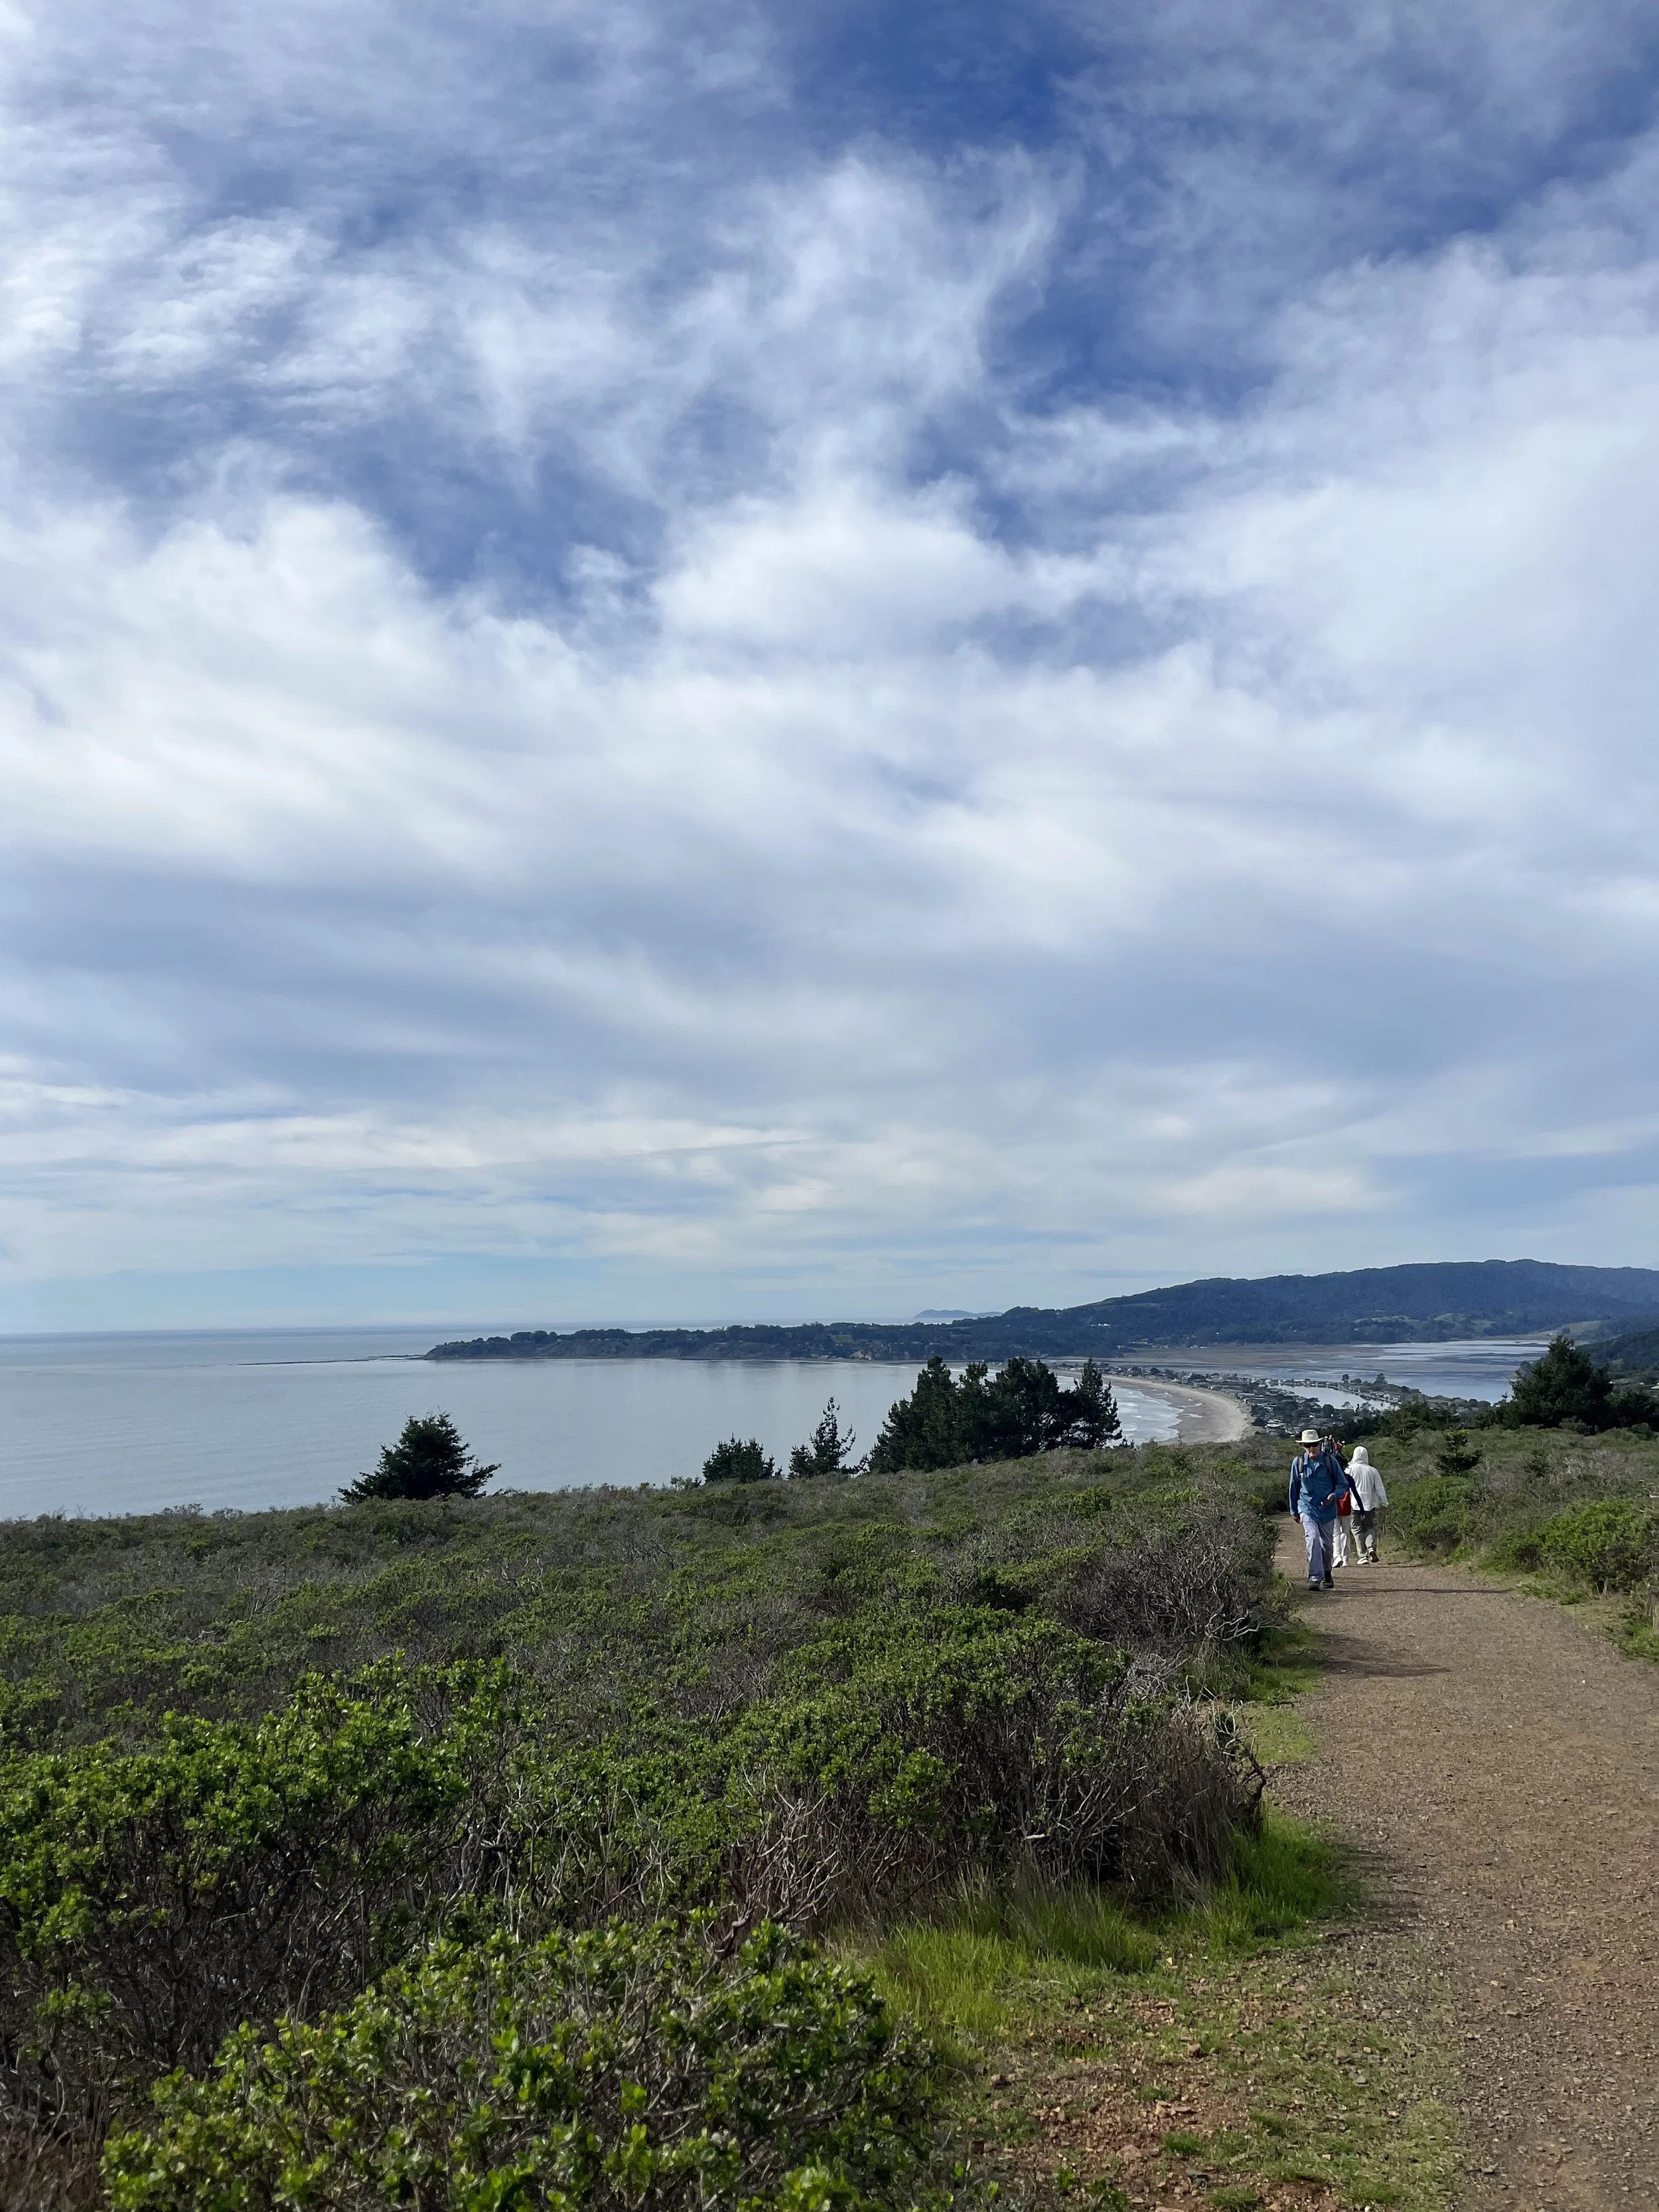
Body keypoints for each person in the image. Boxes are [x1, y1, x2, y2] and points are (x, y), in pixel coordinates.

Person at [1288, 1428, 1345, 1591]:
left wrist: (1334, 1495)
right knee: (1312, 1539)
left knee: (1327, 1545)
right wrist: (1294, 1511)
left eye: (1314, 1445)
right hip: (1307, 1508)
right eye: (1308, 1445)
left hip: (1327, 1511)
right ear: (1303, 1446)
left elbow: (1343, 1484)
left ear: (1320, 1444)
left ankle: (1327, 1572)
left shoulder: (1330, 1462)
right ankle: (1314, 1578)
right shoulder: (1298, 1463)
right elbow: (1294, 1487)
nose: (1311, 1448)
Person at [1347, 1443, 1389, 1562]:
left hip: (1354, 1504)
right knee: (1369, 1527)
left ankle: (1362, 1556)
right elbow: (1380, 1488)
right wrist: (1384, 1502)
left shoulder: (1349, 1470)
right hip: (1370, 1505)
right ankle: (1371, 1548)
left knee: (1357, 1530)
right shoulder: (1373, 1471)